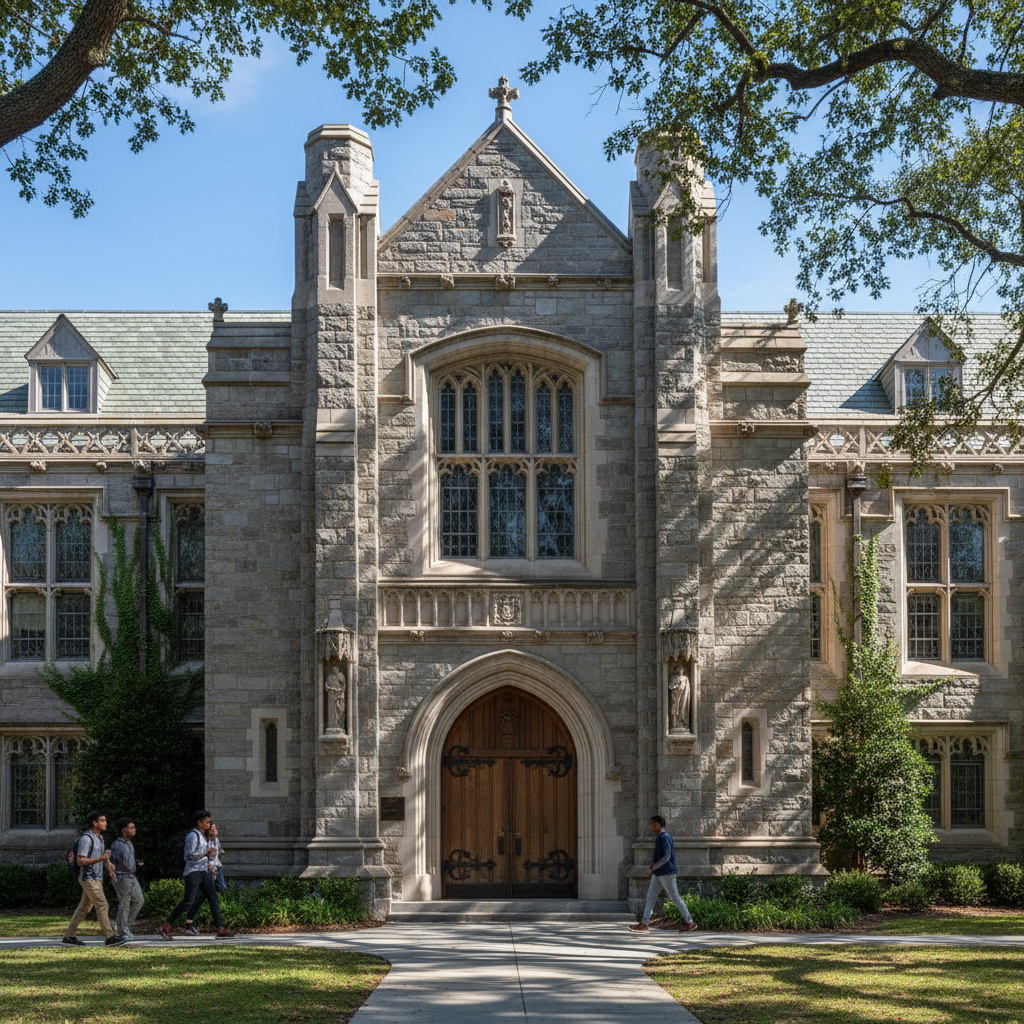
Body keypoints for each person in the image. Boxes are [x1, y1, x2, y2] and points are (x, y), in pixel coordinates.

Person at [158, 810, 235, 940]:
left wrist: (211, 861)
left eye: (209, 821)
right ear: (199, 822)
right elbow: (188, 856)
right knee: (188, 902)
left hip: (204, 871)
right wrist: (204, 853)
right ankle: (166, 925)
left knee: (213, 898)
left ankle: (220, 929)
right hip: (193, 872)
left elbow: (209, 854)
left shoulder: (205, 837)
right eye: (206, 821)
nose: (209, 824)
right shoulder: (192, 836)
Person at [62, 811, 127, 946]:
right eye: (102, 820)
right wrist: (103, 858)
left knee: (84, 908)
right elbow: (81, 861)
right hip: (88, 878)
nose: (105, 823)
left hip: (96, 877)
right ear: (94, 823)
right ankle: (109, 937)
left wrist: (108, 864)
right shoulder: (87, 838)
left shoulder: (100, 838)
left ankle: (69, 936)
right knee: (102, 905)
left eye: (105, 820)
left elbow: (101, 857)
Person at [629, 815, 698, 933]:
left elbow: (667, 857)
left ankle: (690, 922)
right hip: (658, 873)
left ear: (659, 824)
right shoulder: (660, 837)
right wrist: (654, 870)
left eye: (652, 823)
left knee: (675, 898)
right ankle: (644, 924)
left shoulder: (665, 837)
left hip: (666, 873)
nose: (650, 826)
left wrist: (652, 867)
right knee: (650, 897)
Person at [183, 821, 225, 934]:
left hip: (217, 868)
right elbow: (203, 857)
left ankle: (189, 922)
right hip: (208, 870)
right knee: (204, 897)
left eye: (215, 829)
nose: (214, 831)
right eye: (212, 829)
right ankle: (189, 922)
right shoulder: (205, 841)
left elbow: (217, 853)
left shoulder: (215, 840)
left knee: (212, 894)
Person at [109, 818, 145, 941]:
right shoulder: (117, 845)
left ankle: (123, 926)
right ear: (124, 830)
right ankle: (122, 931)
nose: (134, 830)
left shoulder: (129, 843)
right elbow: (117, 862)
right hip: (122, 877)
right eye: (131, 828)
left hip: (131, 876)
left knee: (139, 900)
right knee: (124, 903)